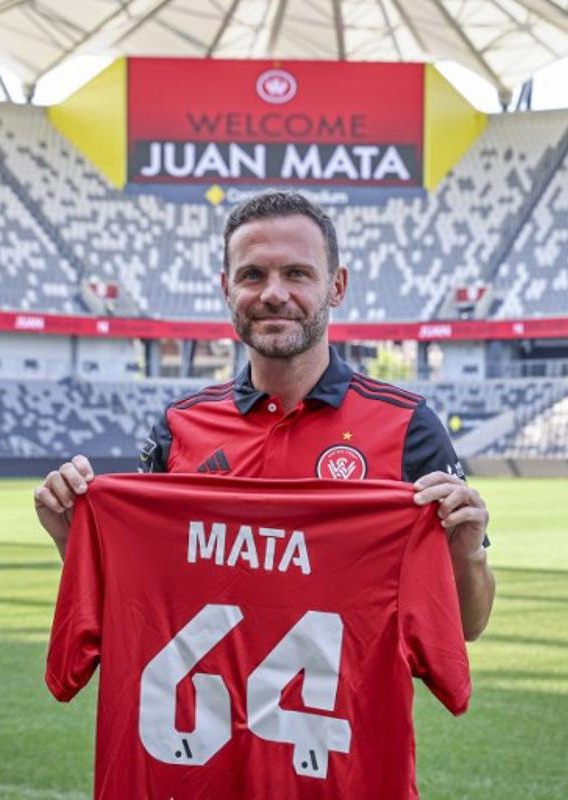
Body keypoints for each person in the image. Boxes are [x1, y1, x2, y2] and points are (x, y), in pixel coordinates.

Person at [34, 191, 494, 640]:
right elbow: (136, 599)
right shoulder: (177, 430)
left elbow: (468, 626)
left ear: (336, 286)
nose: (274, 295)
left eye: (297, 273)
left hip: (353, 719)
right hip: (197, 718)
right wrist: (70, 540)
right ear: (226, 288)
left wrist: (468, 555)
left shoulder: (408, 426)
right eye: (253, 275)